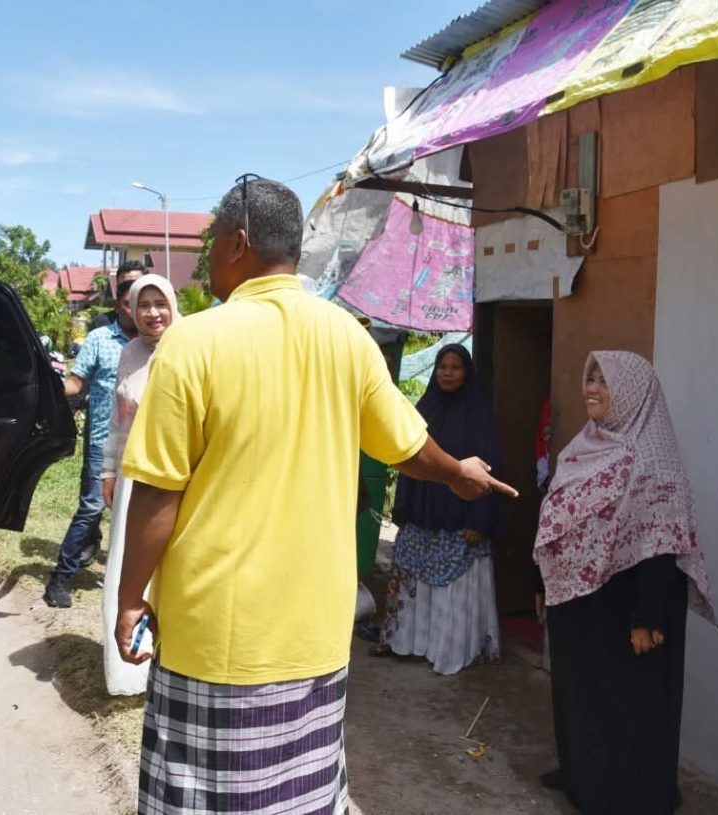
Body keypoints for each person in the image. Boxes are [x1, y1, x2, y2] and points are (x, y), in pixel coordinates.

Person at [113, 176, 518, 814]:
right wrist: (458, 471)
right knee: (297, 797)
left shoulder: (193, 343)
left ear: (238, 243)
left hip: (218, 632)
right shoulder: (347, 337)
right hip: (315, 633)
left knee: (207, 798)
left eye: (212, 244)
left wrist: (131, 598)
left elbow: (160, 495)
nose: (206, 261)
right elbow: (409, 448)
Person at [533, 350, 718, 815]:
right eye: (588, 376)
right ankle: (581, 773)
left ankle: (630, 796)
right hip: (577, 602)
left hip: (627, 607)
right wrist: (542, 579)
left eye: (604, 380)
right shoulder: (583, 448)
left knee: (628, 704)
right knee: (580, 695)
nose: (591, 387)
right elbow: (554, 521)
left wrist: (648, 617)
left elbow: (660, 543)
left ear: (633, 393)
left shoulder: (653, 462)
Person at [377, 344, 504, 673]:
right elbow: (408, 456)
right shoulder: (425, 408)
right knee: (414, 585)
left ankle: (448, 652)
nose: (447, 372)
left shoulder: (479, 416)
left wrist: (479, 520)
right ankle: (408, 644)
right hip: (422, 522)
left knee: (452, 593)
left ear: (467, 373)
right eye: (442, 366)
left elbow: (489, 471)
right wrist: (403, 511)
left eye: (455, 367)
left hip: (460, 523)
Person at [43, 260, 145, 607]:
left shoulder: (162, 343)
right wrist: (42, 386)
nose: (143, 310)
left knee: (137, 513)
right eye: (134, 303)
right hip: (104, 440)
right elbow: (75, 383)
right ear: (120, 305)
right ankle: (60, 577)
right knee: (91, 506)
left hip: (146, 444)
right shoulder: (100, 339)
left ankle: (130, 584)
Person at [99, 273, 179, 695]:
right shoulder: (128, 353)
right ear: (130, 310)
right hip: (134, 476)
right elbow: (117, 421)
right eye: (142, 305)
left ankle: (171, 661)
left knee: (171, 564)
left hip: (175, 477)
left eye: (159, 303)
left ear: (173, 305)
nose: (152, 313)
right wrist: (109, 472)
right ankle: (131, 669)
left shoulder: (188, 348)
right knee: (129, 565)